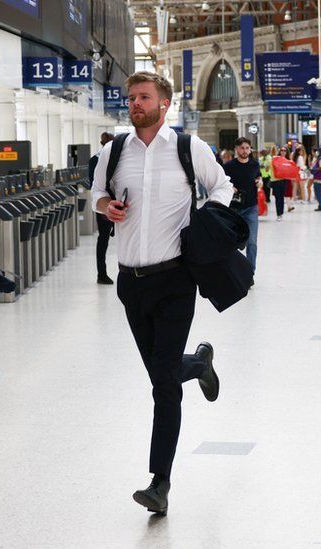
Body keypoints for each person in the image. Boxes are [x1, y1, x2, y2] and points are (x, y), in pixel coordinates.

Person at [90, 71, 227, 515]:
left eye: (144, 97)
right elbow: (94, 194)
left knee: (164, 386)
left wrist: (205, 220)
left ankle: (159, 483)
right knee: (160, 372)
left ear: (164, 104)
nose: (135, 103)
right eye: (131, 98)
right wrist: (104, 206)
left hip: (175, 280)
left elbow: (223, 186)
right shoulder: (113, 152)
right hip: (131, 282)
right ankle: (200, 362)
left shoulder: (189, 149)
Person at [225, 137, 262, 269]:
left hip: (251, 207)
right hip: (234, 209)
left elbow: (258, 176)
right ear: (236, 149)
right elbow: (222, 182)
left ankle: (250, 272)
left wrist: (259, 181)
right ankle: (234, 270)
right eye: (242, 148)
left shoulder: (254, 164)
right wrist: (229, 187)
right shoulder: (229, 167)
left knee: (252, 241)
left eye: (247, 148)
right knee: (233, 242)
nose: (245, 151)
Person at [89, 132, 116, 284]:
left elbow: (92, 183)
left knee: (103, 239)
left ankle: (102, 273)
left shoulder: (94, 159)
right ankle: (102, 274)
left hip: (103, 203)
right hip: (110, 204)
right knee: (104, 238)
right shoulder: (108, 158)